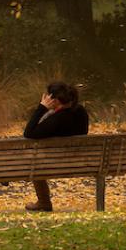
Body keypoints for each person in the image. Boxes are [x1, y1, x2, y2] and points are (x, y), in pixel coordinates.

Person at [22, 81, 89, 212]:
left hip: (54, 163)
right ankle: (43, 202)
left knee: (34, 162)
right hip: (80, 161)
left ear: (55, 100)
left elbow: (29, 133)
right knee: (38, 160)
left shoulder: (57, 119)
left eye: (49, 96)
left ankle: (44, 202)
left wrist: (41, 107)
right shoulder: (81, 112)